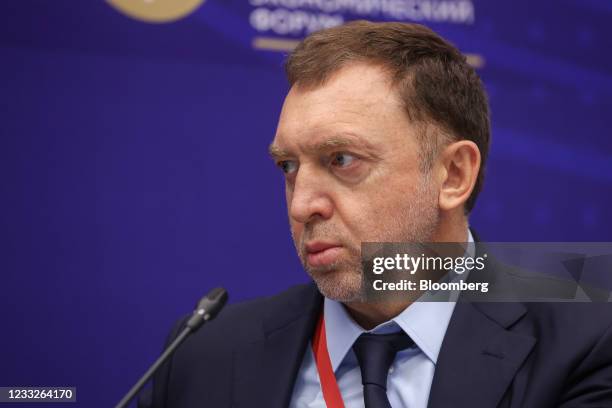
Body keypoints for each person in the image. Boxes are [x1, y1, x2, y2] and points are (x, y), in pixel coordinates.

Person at [142, 21, 612, 408]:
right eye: (288, 166)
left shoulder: (585, 342)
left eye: (342, 160)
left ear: (452, 175)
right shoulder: (202, 358)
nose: (303, 204)